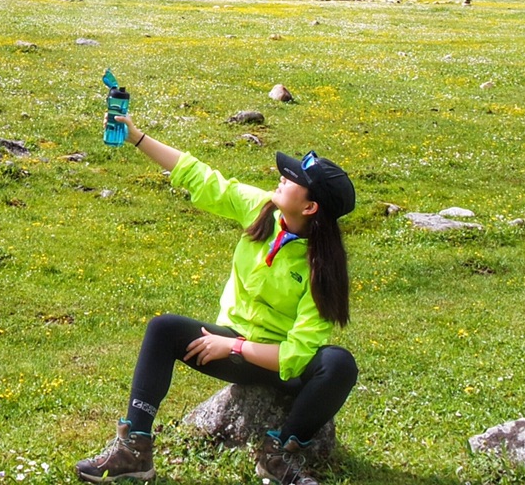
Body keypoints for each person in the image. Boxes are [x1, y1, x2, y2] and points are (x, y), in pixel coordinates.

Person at [76, 112, 358, 485]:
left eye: (295, 180)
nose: (283, 176)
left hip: (273, 360)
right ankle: (135, 449)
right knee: (163, 329)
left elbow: (296, 357)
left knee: (338, 364)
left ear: (310, 207)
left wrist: (234, 347)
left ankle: (279, 455)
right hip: (231, 341)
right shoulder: (263, 209)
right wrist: (136, 136)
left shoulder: (323, 267)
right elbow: (202, 177)